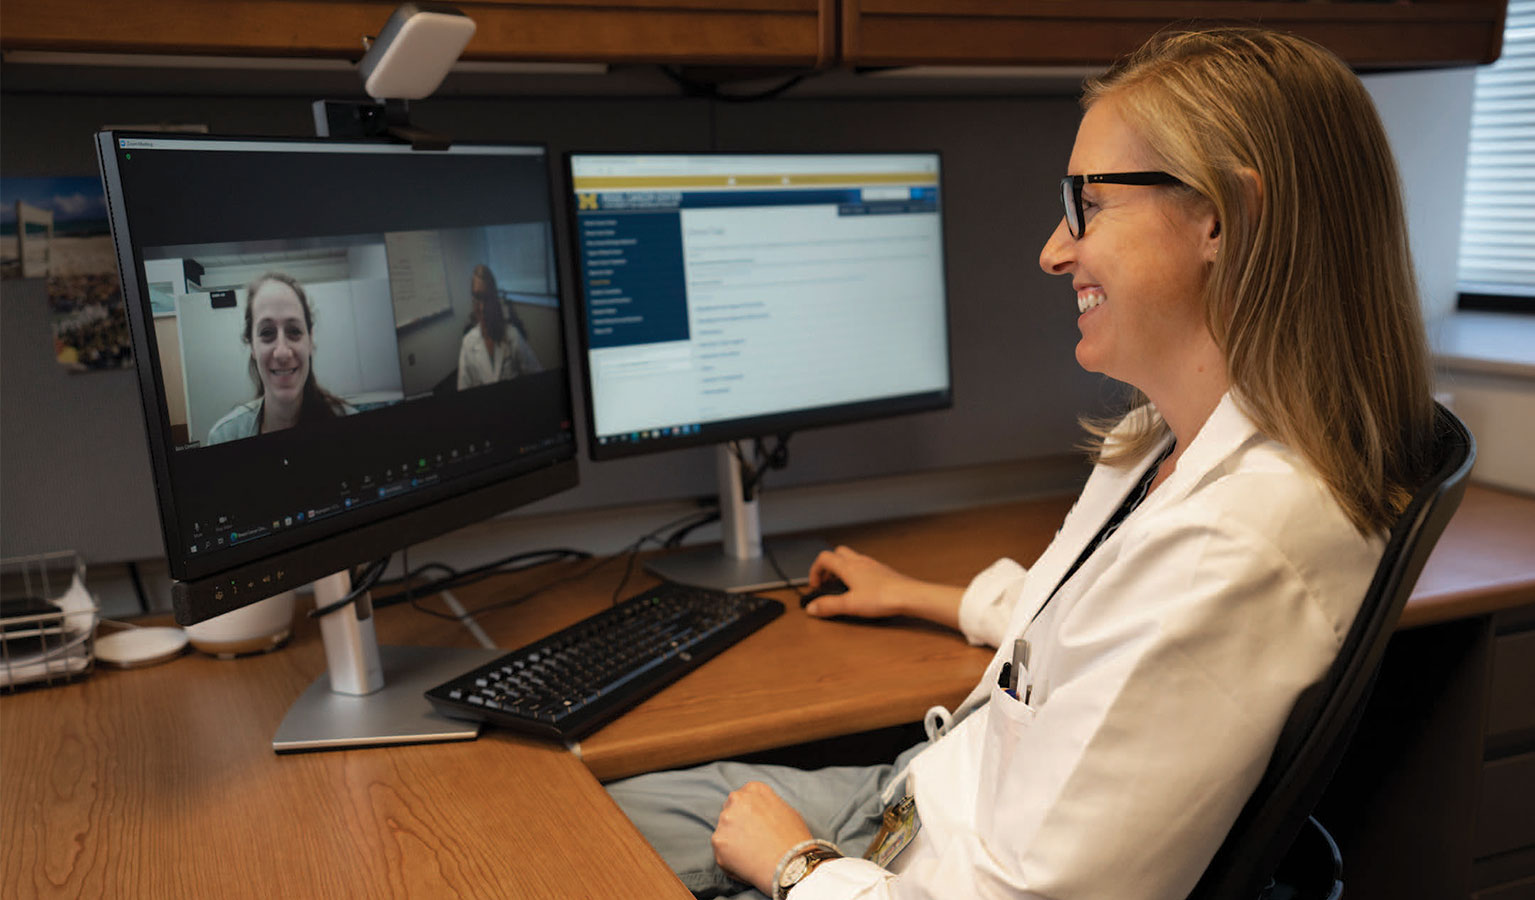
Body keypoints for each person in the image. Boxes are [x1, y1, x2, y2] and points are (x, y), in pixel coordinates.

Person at [605, 26, 1435, 900]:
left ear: (1224, 217)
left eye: (1090, 204)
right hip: (924, 798)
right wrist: (931, 596)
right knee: (578, 810)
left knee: (536, 843)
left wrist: (796, 865)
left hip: (905, 868)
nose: (1053, 249)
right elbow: (1098, 642)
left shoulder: (1235, 546)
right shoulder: (1178, 443)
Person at [207, 272, 356, 445]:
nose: (282, 353)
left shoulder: (353, 427)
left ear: (310, 340)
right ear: (252, 346)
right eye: (267, 332)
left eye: (294, 331)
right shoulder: (224, 437)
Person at [457, 263, 541, 389]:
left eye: (487, 299)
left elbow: (538, 375)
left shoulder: (513, 336)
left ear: (495, 299)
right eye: (478, 297)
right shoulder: (468, 343)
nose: (482, 307)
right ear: (472, 298)